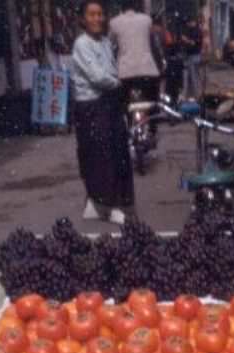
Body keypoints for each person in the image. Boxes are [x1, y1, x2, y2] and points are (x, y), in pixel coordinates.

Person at [71, 0, 134, 224]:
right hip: (91, 107)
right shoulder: (81, 44)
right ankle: (108, 206)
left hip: (109, 103)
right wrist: (119, 83)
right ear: (83, 19)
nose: (97, 19)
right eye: (92, 14)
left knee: (119, 153)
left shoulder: (106, 42)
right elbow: (98, 77)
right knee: (99, 158)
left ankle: (102, 204)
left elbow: (113, 69)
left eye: (100, 14)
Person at [109, 0, 161, 113]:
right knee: (152, 102)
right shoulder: (147, 20)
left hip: (125, 72)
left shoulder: (114, 22)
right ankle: (152, 125)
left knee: (123, 104)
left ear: (121, 7)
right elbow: (153, 41)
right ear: (136, 6)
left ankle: (127, 123)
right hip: (148, 69)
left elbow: (110, 44)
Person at [180, 15, 203, 100]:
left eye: (189, 22)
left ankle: (197, 94)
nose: (188, 24)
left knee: (194, 76)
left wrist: (186, 40)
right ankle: (188, 94)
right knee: (187, 76)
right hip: (188, 56)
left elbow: (195, 43)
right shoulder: (188, 30)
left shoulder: (197, 31)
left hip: (194, 55)